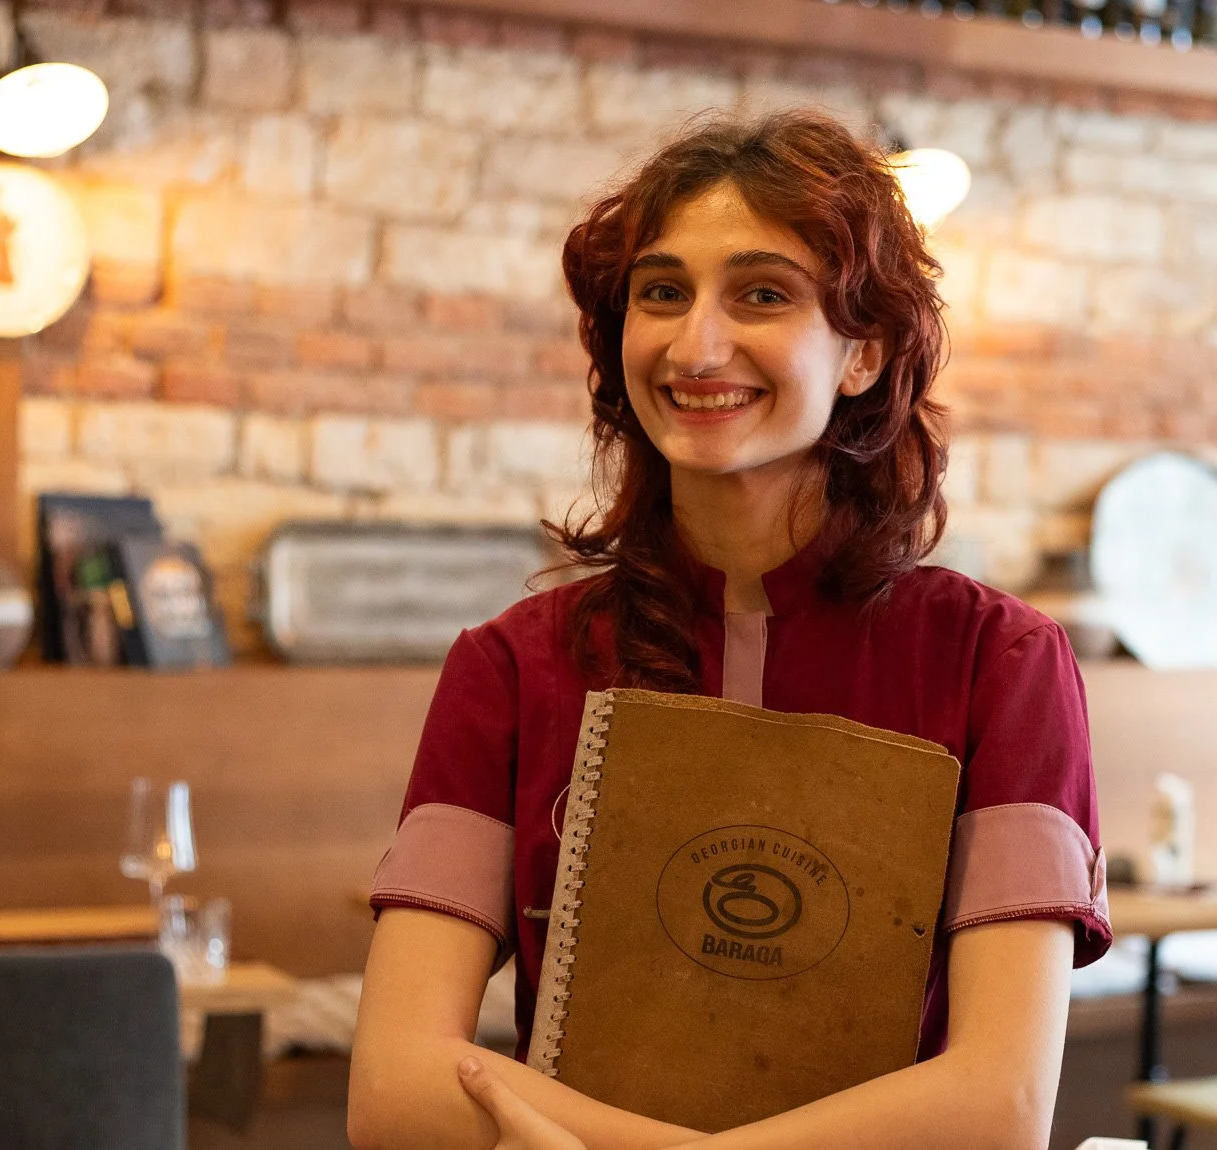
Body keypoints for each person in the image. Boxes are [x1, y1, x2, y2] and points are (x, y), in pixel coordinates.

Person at [348, 109, 1112, 1150]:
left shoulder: (997, 663)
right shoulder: (512, 668)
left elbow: (998, 1107)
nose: (696, 344)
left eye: (761, 293)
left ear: (861, 354)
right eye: (661, 293)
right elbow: (395, 1091)